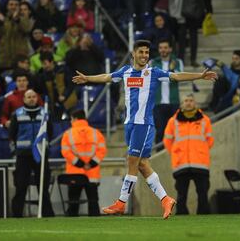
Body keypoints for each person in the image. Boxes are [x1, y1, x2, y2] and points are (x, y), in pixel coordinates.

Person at [72, 39, 217, 218]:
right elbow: (107, 77)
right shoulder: (125, 71)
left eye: (147, 53)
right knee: (141, 165)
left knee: (132, 161)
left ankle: (121, 202)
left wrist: (199, 76)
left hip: (144, 124)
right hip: (129, 124)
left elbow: (176, 76)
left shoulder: (153, 73)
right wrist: (87, 78)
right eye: (141, 52)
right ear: (133, 53)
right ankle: (165, 199)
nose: (144, 56)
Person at [163, 94, 213, 214]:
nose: (189, 103)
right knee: (181, 194)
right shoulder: (173, 121)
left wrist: (200, 151)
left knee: (202, 193)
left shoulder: (205, 120)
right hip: (181, 163)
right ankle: (181, 214)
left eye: (191, 100)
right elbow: (167, 141)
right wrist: (176, 153)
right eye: (186, 100)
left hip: (200, 162)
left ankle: (204, 214)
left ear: (195, 103)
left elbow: (210, 141)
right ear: (182, 103)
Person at [9, 89, 55, 218]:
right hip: (23, 155)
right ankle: (17, 215)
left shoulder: (45, 113)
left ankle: (47, 214)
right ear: (23, 99)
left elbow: (50, 132)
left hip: (41, 154)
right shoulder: (17, 114)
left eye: (34, 96)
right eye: (28, 97)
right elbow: (12, 134)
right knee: (21, 185)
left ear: (37, 98)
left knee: (43, 186)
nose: (31, 99)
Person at [61, 109, 107, 216]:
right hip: (92, 172)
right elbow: (102, 150)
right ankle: (96, 227)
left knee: (73, 202)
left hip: (74, 172)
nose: (70, 122)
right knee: (93, 202)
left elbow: (66, 152)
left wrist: (79, 164)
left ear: (75, 119)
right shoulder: (96, 133)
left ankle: (72, 228)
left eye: (71, 119)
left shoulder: (68, 134)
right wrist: (91, 163)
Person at [168, 0, 212, 67]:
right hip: (180, 11)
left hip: (194, 11)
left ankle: (193, 59)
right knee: (181, 36)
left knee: (193, 36)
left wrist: (209, 10)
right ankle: (180, 60)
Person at [150, 39, 183, 145]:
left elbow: (180, 77)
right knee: (160, 131)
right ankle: (160, 154)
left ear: (170, 49)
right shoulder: (153, 62)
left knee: (175, 131)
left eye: (165, 47)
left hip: (174, 102)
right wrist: (170, 72)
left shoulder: (178, 62)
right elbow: (153, 78)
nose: (163, 50)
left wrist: (171, 72)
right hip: (158, 103)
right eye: (161, 48)